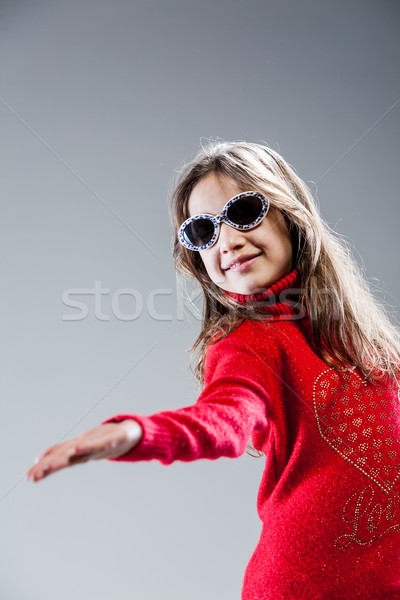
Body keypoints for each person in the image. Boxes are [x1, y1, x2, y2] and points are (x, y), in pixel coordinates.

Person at [27, 141, 400, 599]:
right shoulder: (249, 344)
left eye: (244, 211)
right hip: (306, 588)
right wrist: (135, 434)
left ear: (290, 213)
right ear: (198, 260)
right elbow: (224, 418)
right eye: (203, 230)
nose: (228, 241)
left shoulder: (365, 337)